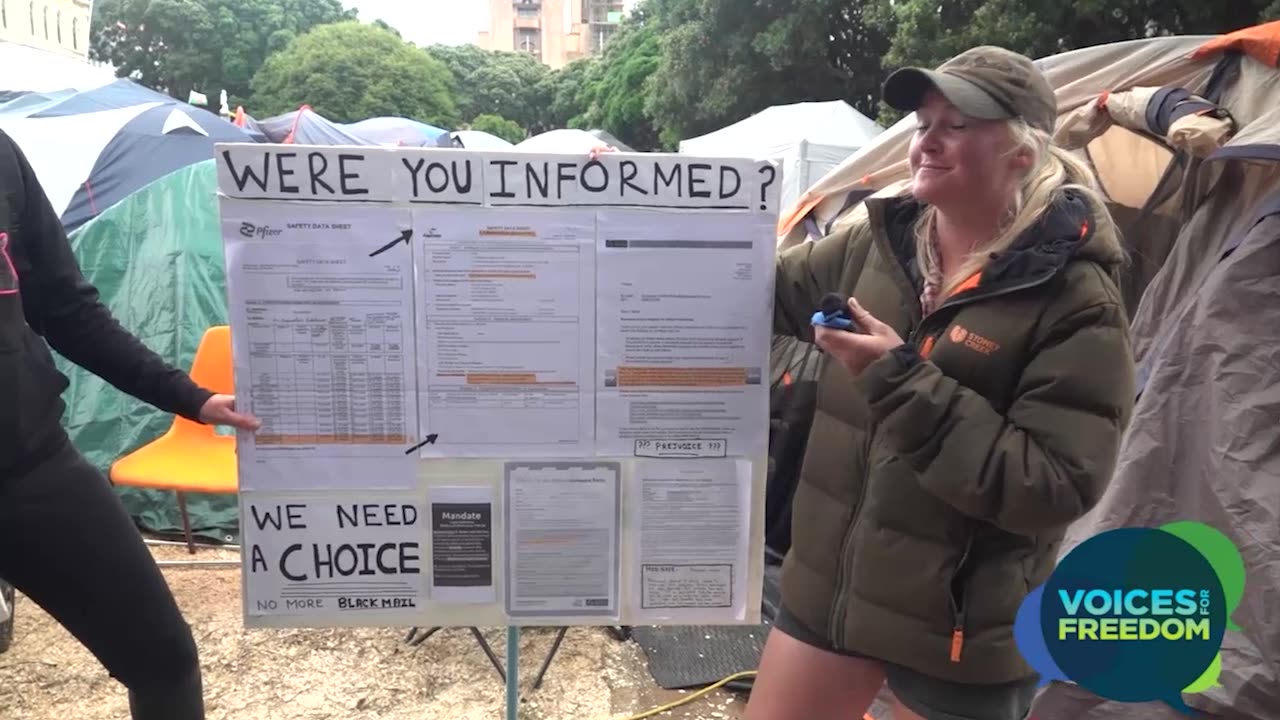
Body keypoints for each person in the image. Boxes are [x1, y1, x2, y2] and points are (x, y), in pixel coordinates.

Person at [748, 46, 1135, 720]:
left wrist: (894, 378)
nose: (925, 141)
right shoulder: (876, 243)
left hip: (962, 634)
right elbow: (749, 294)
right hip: (828, 598)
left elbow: (1054, 486)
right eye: (923, 122)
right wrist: (636, 209)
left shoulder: (1076, 296)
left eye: (956, 125)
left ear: (1022, 152)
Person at [0, 129, 260, 719]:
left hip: (29, 465)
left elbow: (67, 310)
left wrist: (189, 398)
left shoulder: (2, 155)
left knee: (164, 659)